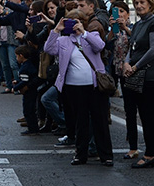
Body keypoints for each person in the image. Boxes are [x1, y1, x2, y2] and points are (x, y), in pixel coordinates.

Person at [43, 10, 112, 166]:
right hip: (74, 87)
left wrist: (84, 33)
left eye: (77, 21)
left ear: (83, 21)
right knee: (80, 122)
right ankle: (80, 155)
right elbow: (48, 49)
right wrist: (56, 30)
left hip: (95, 86)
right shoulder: (64, 41)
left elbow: (100, 46)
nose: (73, 25)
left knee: (99, 120)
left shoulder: (91, 35)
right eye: (70, 22)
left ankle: (106, 155)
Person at [122, 0, 154, 169]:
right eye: (136, 2)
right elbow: (132, 47)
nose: (139, 5)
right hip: (134, 73)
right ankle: (144, 150)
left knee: (148, 115)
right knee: (136, 113)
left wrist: (136, 66)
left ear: (151, 3)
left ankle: (150, 153)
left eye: (142, 2)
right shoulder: (139, 24)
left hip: (149, 75)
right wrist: (126, 63)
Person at [14, 45, 41, 135]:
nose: (16, 58)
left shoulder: (24, 68)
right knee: (31, 110)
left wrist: (15, 87)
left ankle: (32, 128)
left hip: (30, 92)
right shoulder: (29, 65)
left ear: (21, 56)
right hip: (33, 90)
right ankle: (34, 127)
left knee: (28, 110)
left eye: (17, 56)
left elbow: (24, 81)